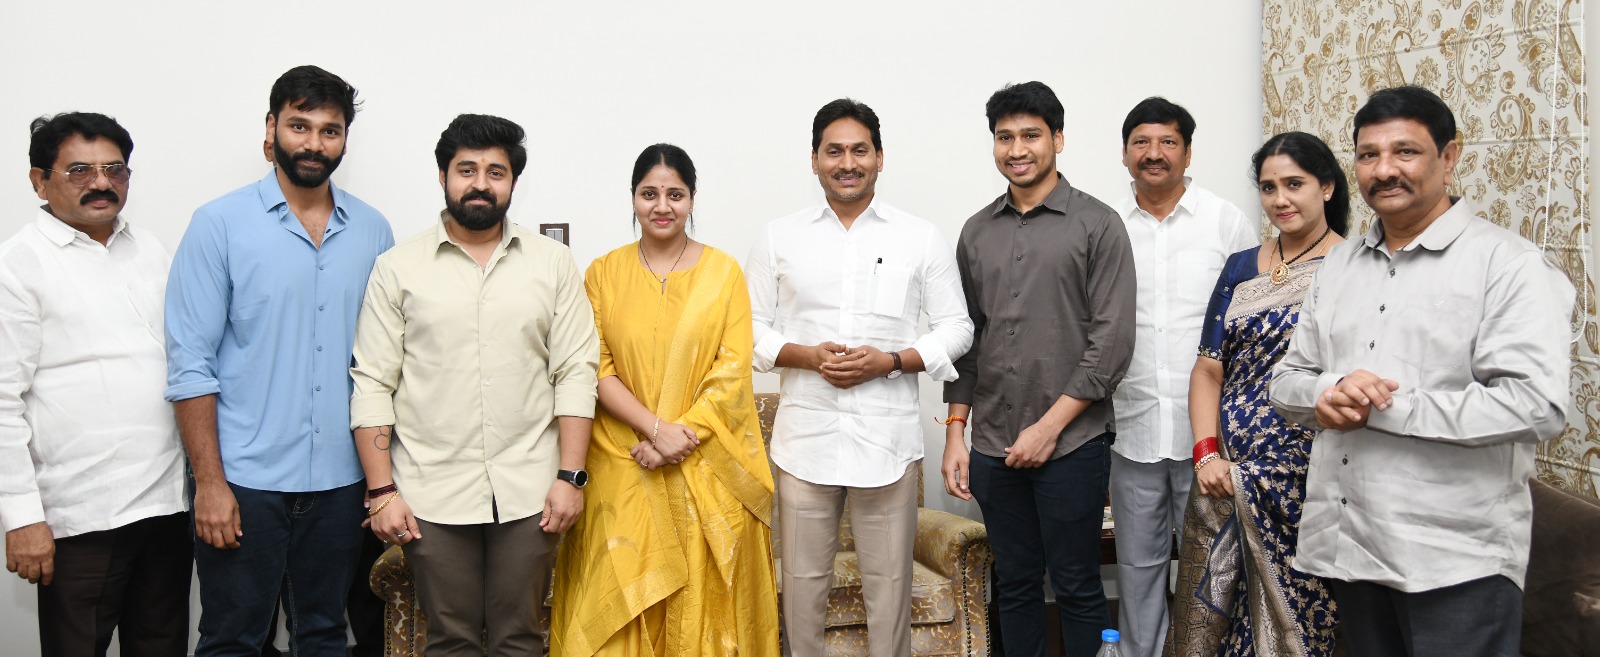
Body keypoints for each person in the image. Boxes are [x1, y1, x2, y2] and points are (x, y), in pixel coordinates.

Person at [1270, 85, 1573, 656]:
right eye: (1369, 154)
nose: (1384, 169)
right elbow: (1287, 381)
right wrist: (1329, 392)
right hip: (1350, 547)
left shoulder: (1507, 265)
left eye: (1405, 151)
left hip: (1455, 562)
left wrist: (1386, 409)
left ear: (1449, 157)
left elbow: (1538, 405)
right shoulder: (1339, 263)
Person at [165, 65, 395, 657]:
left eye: (329, 130)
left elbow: (385, 363)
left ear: (344, 140)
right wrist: (209, 484)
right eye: (299, 126)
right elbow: (191, 364)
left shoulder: (373, 231)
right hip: (244, 481)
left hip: (342, 483)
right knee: (233, 639)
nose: (314, 143)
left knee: (325, 635)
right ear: (271, 128)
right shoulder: (218, 224)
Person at [349, 113, 598, 657]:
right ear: (443, 176)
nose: (480, 183)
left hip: (532, 489)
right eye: (467, 170)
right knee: (450, 643)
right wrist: (382, 492)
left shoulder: (553, 263)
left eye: (495, 172)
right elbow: (372, 383)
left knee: (521, 640)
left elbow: (576, 372)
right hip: (430, 493)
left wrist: (571, 477)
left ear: (514, 181)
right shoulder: (397, 268)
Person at [748, 98, 973, 657]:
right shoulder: (778, 237)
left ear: (879, 157)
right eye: (834, 152)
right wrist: (805, 356)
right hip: (806, 441)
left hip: (885, 441)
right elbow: (745, 328)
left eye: (859, 151)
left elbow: (958, 328)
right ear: (814, 160)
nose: (847, 163)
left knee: (889, 594)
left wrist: (891, 361)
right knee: (801, 591)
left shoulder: (919, 237)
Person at [550, 143, 779, 656]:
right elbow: (595, 367)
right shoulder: (603, 273)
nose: (662, 206)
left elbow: (731, 370)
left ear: (692, 199)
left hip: (704, 461)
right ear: (632, 198)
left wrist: (678, 437)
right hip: (621, 457)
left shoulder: (723, 273)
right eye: (649, 193)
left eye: (675, 194)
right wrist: (655, 432)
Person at [942, 81, 1137, 657]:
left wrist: (1048, 429)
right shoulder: (976, 231)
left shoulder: (1098, 224)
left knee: (1077, 584)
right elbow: (967, 341)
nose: (1017, 149)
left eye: (1031, 135)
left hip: (1072, 443)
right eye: (1005, 137)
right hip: (993, 445)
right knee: (1014, 584)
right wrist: (956, 434)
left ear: (1058, 139)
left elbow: (1111, 345)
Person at [0, 112, 189, 657]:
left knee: (162, 647)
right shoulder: (18, 266)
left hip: (167, 505)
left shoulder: (150, 249)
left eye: (115, 169)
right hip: (81, 515)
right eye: (79, 170)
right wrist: (22, 519)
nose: (102, 183)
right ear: (39, 181)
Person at [1166, 131, 1345, 656]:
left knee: (1302, 618)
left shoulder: (1353, 265)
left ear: (1327, 187)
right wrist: (1206, 455)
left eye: (1294, 184)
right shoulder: (1242, 266)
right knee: (1212, 618)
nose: (1280, 199)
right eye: (1269, 187)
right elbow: (1208, 369)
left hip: (1307, 480)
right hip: (1226, 475)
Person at [1109, 96, 1257, 657]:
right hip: (1132, 429)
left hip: (1211, 438)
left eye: (1168, 142)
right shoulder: (1105, 226)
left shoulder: (1226, 221)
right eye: (1141, 142)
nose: (1154, 153)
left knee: (1215, 572)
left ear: (1188, 153)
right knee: (1137, 570)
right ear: (1125, 154)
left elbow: (1248, 321)